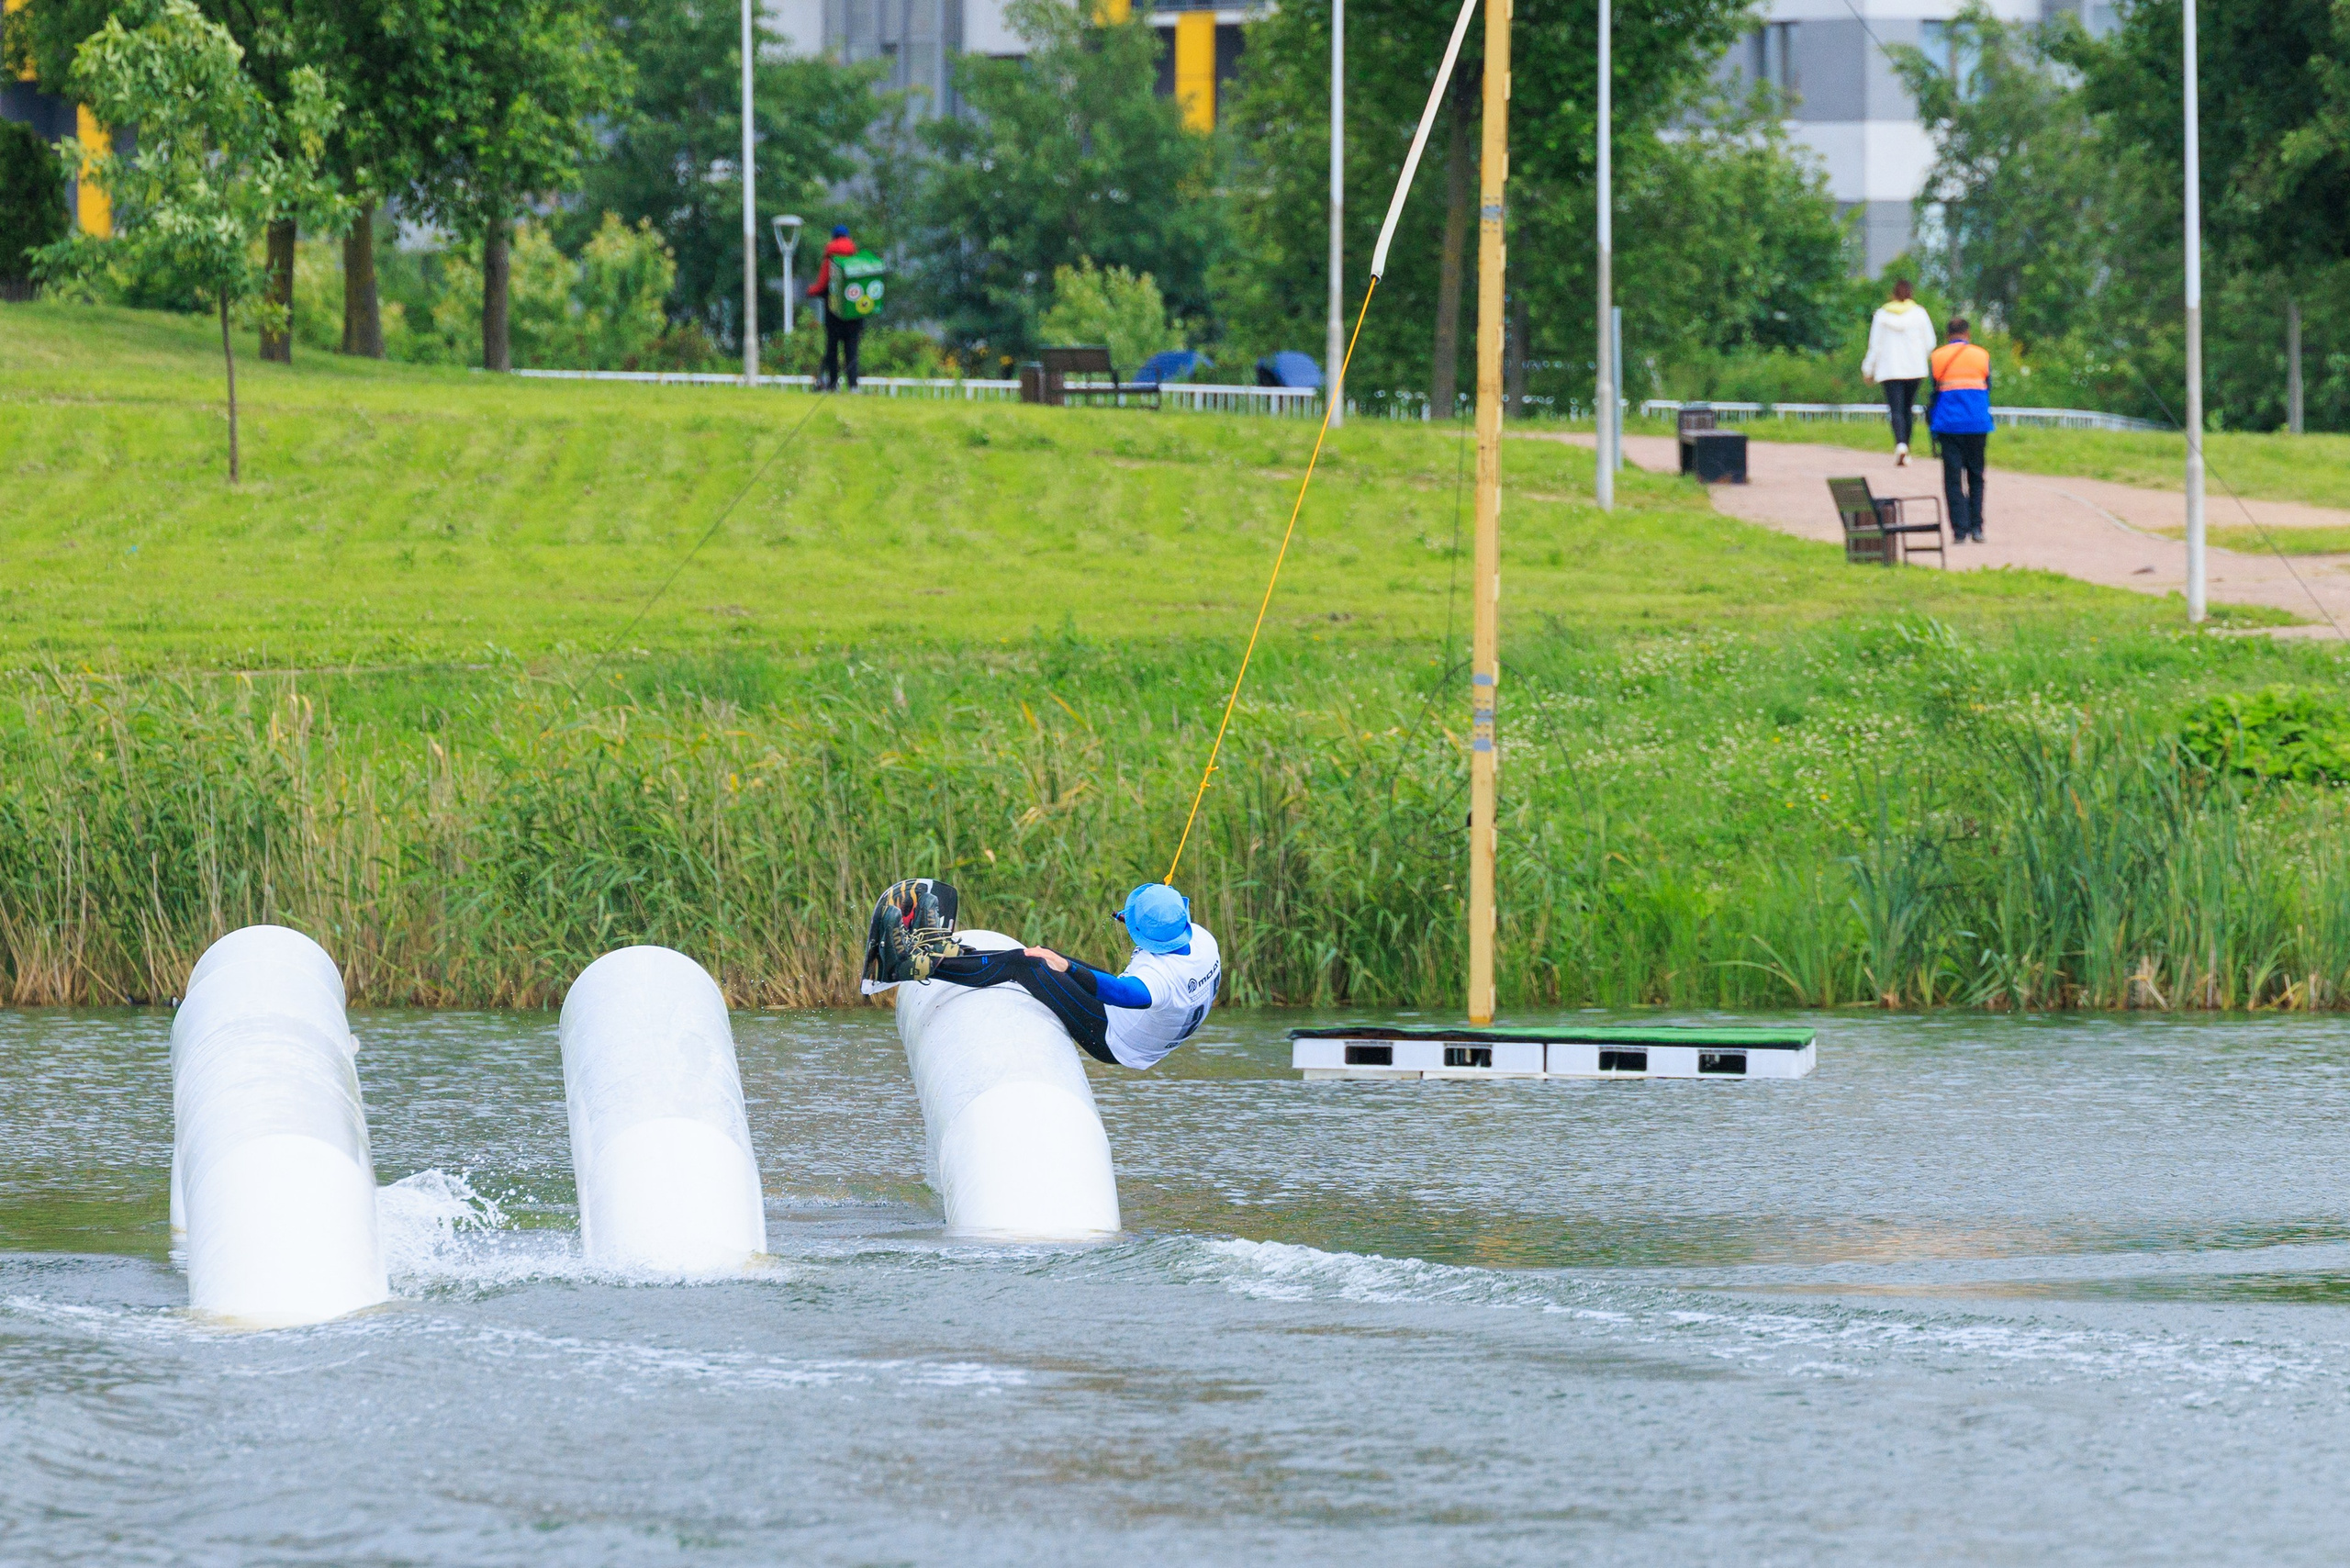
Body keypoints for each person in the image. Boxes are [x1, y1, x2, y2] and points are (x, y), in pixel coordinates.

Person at [863, 879, 1222, 1071]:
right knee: (1045, 957)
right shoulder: (1201, 941)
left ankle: (914, 964)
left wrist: (1070, 968)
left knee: (1029, 964)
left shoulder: (1159, 982)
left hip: (1114, 1038)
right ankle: (942, 950)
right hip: (1140, 1024)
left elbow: (1123, 993)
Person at [1929, 317, 1994, 543]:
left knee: (1953, 478)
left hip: (1948, 424)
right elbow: (1989, 385)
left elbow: (1934, 388)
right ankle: (1977, 527)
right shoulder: (1982, 355)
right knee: (1976, 475)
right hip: (1977, 423)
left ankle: (1959, 530)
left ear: (1948, 335)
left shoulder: (1937, 357)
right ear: (1968, 334)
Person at [1860, 278, 1937, 465]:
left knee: (1895, 410)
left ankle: (1900, 445)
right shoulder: (1919, 314)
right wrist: (1920, 356)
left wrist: (1868, 369)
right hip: (1914, 369)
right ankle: (1906, 448)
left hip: (1889, 369)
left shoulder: (1882, 315)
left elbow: (1875, 345)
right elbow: (1930, 343)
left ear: (1893, 295)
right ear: (1911, 294)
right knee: (1907, 409)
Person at [810, 224, 862, 391]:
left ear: (833, 238)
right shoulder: (856, 260)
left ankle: (833, 385)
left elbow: (821, 286)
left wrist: (811, 291)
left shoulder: (830, 260)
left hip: (833, 314)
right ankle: (853, 385)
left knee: (832, 349)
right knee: (852, 349)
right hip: (854, 314)